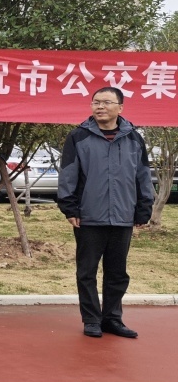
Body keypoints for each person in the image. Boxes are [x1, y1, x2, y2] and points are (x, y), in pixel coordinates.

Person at [57, 86, 154, 339]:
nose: (100, 107)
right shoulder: (78, 137)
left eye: (107, 102)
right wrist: (69, 206)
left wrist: (144, 207)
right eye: (96, 102)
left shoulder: (134, 138)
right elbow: (68, 174)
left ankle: (112, 318)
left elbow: (143, 175)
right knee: (86, 272)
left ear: (120, 107)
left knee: (117, 272)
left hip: (123, 215)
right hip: (88, 216)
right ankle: (91, 319)